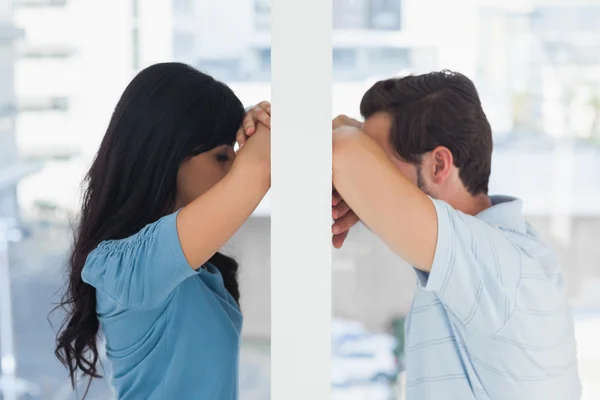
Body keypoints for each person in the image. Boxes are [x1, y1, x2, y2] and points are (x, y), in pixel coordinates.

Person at [331, 70, 581, 399]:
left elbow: (343, 150)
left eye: (379, 161)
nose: (372, 176)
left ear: (438, 165)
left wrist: (348, 146)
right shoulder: (485, 261)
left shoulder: (498, 269)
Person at [54, 62, 271, 399]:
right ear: (168, 155)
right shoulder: (124, 267)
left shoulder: (197, 271)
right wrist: (263, 126)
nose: (232, 172)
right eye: (222, 157)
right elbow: (258, 170)